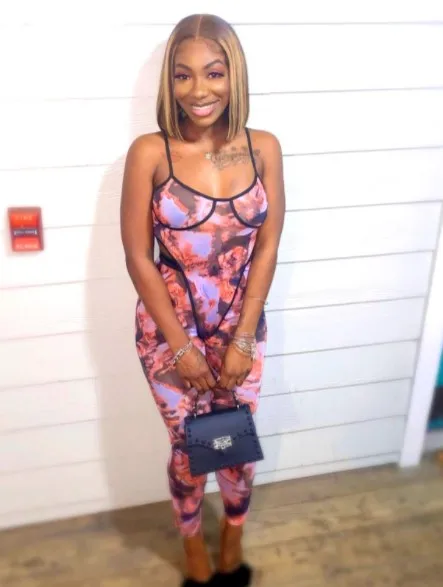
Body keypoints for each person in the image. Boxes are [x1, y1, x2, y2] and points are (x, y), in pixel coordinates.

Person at [120, 13, 285, 587]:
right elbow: (138, 256)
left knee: (236, 443)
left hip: (242, 328)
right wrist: (181, 348)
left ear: (234, 75)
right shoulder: (150, 152)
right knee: (189, 451)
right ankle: (192, 544)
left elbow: (268, 246)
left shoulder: (264, 148)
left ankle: (232, 540)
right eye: (182, 75)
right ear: (169, 83)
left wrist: (244, 339)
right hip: (168, 333)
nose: (198, 90)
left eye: (214, 73)